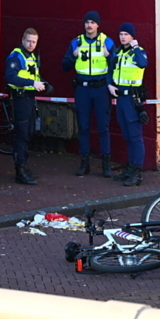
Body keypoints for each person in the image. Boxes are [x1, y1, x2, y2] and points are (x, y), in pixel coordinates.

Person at [62, 11, 116, 178]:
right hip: (82, 90)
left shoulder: (107, 42)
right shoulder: (76, 42)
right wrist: (73, 55)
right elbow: (64, 66)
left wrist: (109, 58)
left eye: (93, 22)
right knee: (83, 127)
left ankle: (106, 165)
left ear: (98, 25)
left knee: (103, 128)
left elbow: (117, 66)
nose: (89, 25)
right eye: (87, 22)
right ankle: (84, 164)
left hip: (101, 90)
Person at [5, 28, 48, 186]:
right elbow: (10, 77)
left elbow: (32, 76)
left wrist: (43, 84)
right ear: (23, 40)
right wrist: (32, 83)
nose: (31, 44)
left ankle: (25, 166)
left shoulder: (31, 56)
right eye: (29, 41)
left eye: (34, 42)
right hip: (20, 99)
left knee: (29, 132)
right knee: (21, 135)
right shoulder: (16, 56)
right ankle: (19, 171)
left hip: (29, 98)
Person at [111, 23, 148, 187]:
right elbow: (110, 70)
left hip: (133, 99)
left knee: (135, 137)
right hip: (120, 99)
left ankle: (137, 172)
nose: (123, 37)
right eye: (121, 34)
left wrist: (136, 47)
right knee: (127, 136)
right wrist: (109, 85)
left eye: (126, 34)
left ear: (132, 36)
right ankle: (130, 168)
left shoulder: (138, 52)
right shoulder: (118, 53)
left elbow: (142, 63)